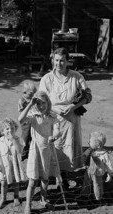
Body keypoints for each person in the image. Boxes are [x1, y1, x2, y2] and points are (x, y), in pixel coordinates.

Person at [39, 47, 92, 176]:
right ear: (52, 60)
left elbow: (88, 96)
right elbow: (40, 101)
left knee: (70, 149)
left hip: (71, 120)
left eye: (62, 61)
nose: (59, 64)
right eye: (56, 60)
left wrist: (73, 106)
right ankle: (56, 176)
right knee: (55, 147)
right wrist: (54, 108)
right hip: (53, 119)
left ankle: (68, 176)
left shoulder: (76, 76)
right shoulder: (47, 79)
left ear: (68, 61)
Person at [18, 91, 59, 214]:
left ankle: (43, 199)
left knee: (45, 179)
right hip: (35, 151)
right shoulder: (33, 115)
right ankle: (28, 205)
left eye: (43, 103)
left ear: (48, 102)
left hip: (47, 150)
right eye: (38, 103)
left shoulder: (53, 116)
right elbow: (20, 120)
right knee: (32, 180)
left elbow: (57, 130)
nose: (41, 106)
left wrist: (54, 136)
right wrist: (30, 104)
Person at [0, 118, 25, 209]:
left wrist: (14, 141)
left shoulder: (18, 139)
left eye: (12, 128)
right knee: (3, 183)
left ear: (15, 129)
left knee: (15, 182)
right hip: (4, 165)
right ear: (2, 131)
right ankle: (3, 198)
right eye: (7, 129)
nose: (10, 130)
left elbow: (19, 151)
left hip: (15, 164)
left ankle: (16, 197)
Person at [77, 131, 113, 205]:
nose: (88, 142)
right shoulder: (91, 151)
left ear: (98, 145)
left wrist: (110, 174)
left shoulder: (104, 154)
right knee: (86, 183)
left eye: (90, 141)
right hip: (89, 171)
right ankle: (84, 196)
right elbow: (85, 158)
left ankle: (98, 198)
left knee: (97, 185)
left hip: (98, 174)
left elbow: (109, 165)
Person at [18, 80, 37, 161]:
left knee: (33, 137)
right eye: (31, 93)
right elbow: (21, 112)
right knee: (25, 137)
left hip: (33, 121)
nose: (33, 95)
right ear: (24, 92)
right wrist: (29, 105)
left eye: (34, 93)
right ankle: (23, 153)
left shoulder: (33, 99)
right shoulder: (22, 101)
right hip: (26, 122)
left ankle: (32, 152)